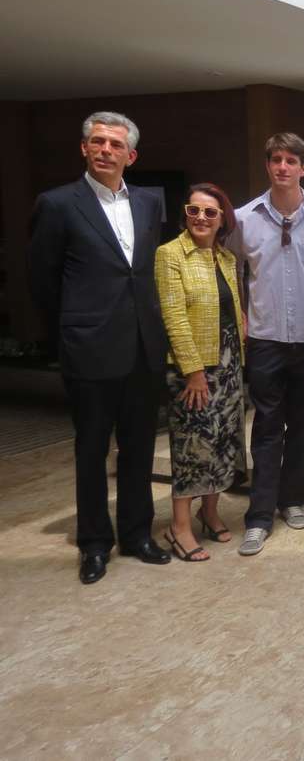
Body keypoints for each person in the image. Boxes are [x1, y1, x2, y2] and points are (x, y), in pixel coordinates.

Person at [28, 111, 172, 583]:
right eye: (97, 141)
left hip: (143, 348)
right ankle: (93, 543)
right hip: (89, 348)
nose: (105, 150)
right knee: (91, 451)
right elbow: (43, 281)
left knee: (139, 447)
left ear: (131, 155)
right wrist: (69, 333)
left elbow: (143, 273)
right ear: (84, 149)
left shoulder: (149, 203)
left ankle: (137, 534)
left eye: (115, 144)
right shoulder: (57, 204)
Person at [226, 133, 304, 556]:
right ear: (268, 165)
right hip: (265, 341)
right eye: (276, 159)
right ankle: (259, 517)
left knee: (300, 427)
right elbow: (229, 267)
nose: (282, 167)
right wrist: (240, 313)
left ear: (303, 168)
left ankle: (291, 499)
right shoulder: (244, 218)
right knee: (266, 429)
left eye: (290, 160)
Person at [154, 183, 246, 562]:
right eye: (194, 211)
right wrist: (193, 371)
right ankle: (179, 526)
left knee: (223, 442)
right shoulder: (170, 254)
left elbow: (232, 307)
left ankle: (209, 512)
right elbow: (174, 317)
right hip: (193, 369)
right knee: (192, 446)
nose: (201, 218)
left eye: (210, 212)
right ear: (185, 214)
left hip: (229, 364)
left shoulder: (226, 257)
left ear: (222, 219)